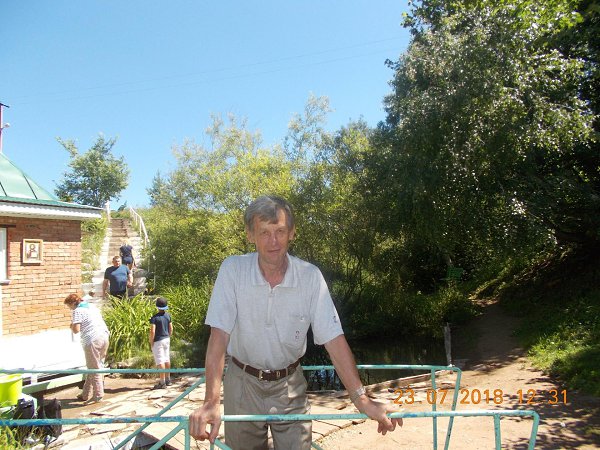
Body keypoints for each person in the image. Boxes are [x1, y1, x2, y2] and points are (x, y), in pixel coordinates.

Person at [189, 195, 402, 449]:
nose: (273, 241)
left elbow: (334, 340)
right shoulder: (233, 270)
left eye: (280, 231)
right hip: (242, 384)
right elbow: (219, 337)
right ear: (250, 235)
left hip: (290, 384)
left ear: (292, 233)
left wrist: (362, 400)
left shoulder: (309, 276)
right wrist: (211, 401)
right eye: (264, 232)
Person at [64, 293, 110, 403]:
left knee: (94, 369)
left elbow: (76, 330)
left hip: (92, 340)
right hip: (104, 337)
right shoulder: (91, 306)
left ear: (72, 303)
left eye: (69, 306)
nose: (69, 309)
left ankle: (98, 395)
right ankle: (85, 394)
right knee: (95, 366)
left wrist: (71, 326)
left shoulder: (77, 311)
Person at [149, 296, 173, 389]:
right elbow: (171, 328)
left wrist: (151, 341)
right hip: (167, 339)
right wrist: (168, 336)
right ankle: (168, 379)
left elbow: (152, 331)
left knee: (160, 361)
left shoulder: (154, 318)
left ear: (157, 306)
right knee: (167, 359)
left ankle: (162, 382)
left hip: (158, 340)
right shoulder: (168, 316)